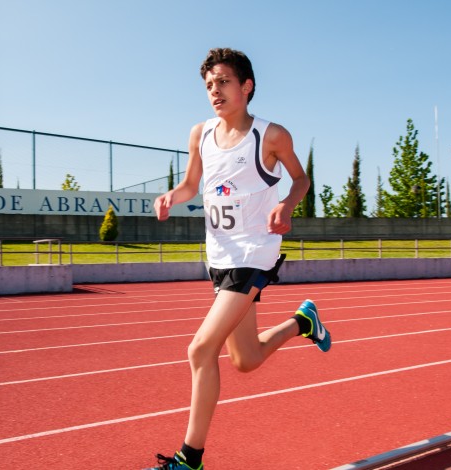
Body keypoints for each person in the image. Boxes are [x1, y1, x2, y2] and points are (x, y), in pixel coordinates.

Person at [146, 48, 332, 470]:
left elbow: (301, 179)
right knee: (245, 360)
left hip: (255, 253)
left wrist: (286, 205)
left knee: (200, 350)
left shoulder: (271, 136)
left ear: (246, 86)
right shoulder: (200, 134)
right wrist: (172, 197)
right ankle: (303, 322)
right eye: (209, 84)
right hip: (220, 256)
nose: (215, 90)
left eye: (224, 82)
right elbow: (193, 183)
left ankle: (188, 459)